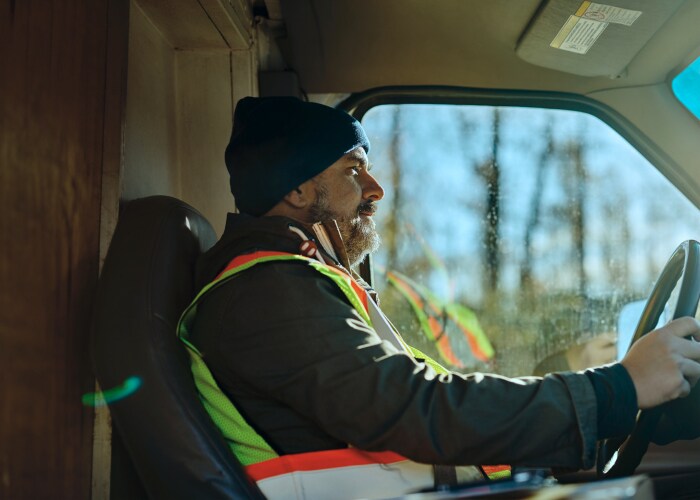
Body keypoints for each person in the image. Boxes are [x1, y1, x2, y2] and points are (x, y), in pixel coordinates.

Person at [180, 96, 700, 499]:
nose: (375, 188)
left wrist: (624, 407)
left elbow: (434, 405)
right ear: (295, 190)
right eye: (352, 170)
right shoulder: (268, 291)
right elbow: (418, 410)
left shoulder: (292, 282)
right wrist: (617, 389)